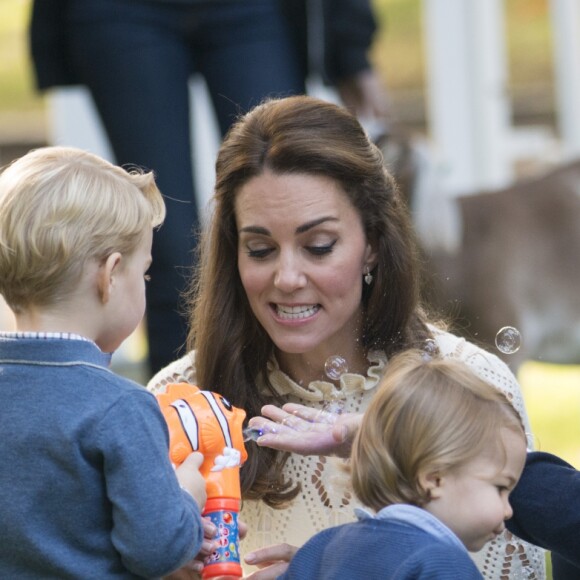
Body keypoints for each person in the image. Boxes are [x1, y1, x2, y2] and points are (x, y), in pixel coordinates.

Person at [147, 95, 545, 578]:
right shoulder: (179, 399)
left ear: (373, 245)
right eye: (260, 249)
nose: (287, 277)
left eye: (318, 246)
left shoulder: (473, 384)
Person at [28, 0, 387, 377]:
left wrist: (350, 45)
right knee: (165, 247)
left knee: (294, 208)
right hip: (124, 11)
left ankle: (322, 393)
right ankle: (181, 417)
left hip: (255, 11)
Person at [0, 146, 213, 578]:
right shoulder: (120, 409)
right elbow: (158, 550)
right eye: (145, 273)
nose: (146, 284)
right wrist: (188, 497)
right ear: (111, 274)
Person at [279, 349, 527, 578]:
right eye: (501, 488)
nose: (509, 511)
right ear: (434, 478)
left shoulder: (325, 546)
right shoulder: (444, 565)